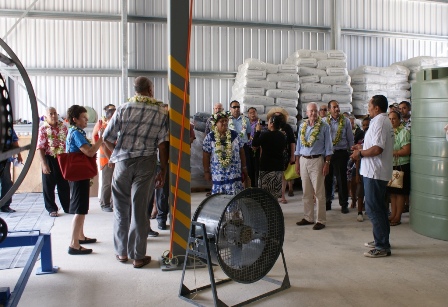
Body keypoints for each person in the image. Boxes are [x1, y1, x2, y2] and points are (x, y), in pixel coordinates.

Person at [103, 77, 168, 268]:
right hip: (146, 162)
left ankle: (122, 253)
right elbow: (163, 144)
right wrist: (163, 170)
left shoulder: (123, 108)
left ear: (136, 90)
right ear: (150, 89)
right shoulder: (160, 111)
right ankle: (138, 257)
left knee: (121, 209)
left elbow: (106, 137)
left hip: (123, 162)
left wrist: (114, 158)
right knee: (140, 210)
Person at [350, 95, 394, 258]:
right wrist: (361, 147)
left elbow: (377, 149)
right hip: (374, 171)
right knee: (380, 208)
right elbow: (373, 145)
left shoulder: (381, 122)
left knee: (374, 208)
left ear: (377, 107)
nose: (367, 108)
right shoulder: (379, 121)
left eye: (369, 105)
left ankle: (382, 246)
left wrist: (360, 153)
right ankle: (382, 240)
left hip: (375, 172)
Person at [66, 105, 104, 255]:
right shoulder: (76, 133)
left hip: (78, 175)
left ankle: (80, 236)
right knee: (79, 209)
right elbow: (89, 152)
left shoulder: (75, 132)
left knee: (81, 207)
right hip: (78, 175)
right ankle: (73, 244)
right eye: (83, 117)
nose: (86, 120)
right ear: (75, 119)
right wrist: (101, 140)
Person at [295, 102, 333, 230]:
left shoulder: (324, 127)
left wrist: (327, 163)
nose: (313, 113)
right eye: (311, 111)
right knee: (306, 191)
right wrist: (297, 163)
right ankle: (308, 217)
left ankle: (321, 220)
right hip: (303, 160)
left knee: (319, 192)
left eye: (315, 111)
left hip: (317, 160)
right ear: (306, 113)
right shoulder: (302, 126)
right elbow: (298, 146)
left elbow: (329, 148)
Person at [36, 107, 70, 217]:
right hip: (49, 158)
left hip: (62, 158)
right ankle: (51, 209)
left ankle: (67, 206)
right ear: (46, 117)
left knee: (64, 184)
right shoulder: (43, 129)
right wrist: (44, 164)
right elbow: (40, 148)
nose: (54, 115)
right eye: (51, 114)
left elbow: (68, 143)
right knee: (48, 185)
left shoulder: (64, 128)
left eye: (55, 113)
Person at [203, 111, 247, 195]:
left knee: (234, 199)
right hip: (218, 174)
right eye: (221, 121)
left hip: (234, 173)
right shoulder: (210, 137)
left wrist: (244, 167)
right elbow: (206, 155)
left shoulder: (235, 135)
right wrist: (206, 172)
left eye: (226, 120)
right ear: (215, 124)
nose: (225, 123)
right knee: (220, 200)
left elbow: (242, 152)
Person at [325, 100, 354, 213]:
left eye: (338, 106)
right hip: (327, 154)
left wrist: (352, 152)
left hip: (341, 153)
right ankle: (327, 202)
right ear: (329, 110)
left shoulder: (345, 121)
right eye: (334, 107)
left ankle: (344, 204)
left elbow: (350, 138)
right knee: (327, 179)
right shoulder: (324, 121)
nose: (337, 109)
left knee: (342, 179)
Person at [251, 115, 287, 198]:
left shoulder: (265, 135)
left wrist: (257, 131)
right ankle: (274, 210)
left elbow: (254, 144)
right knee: (275, 193)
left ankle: (265, 210)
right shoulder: (282, 136)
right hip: (278, 167)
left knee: (264, 193)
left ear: (271, 124)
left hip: (266, 167)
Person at [266, 107, 296, 203]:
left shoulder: (287, 127)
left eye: (280, 116)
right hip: (271, 155)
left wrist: (292, 156)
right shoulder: (269, 127)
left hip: (284, 155)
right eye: (275, 116)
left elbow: (292, 142)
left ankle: (282, 196)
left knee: (283, 175)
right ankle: (273, 196)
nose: (277, 118)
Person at [387, 111, 411, 226]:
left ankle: (398, 216)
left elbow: (406, 150)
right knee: (392, 192)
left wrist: (393, 152)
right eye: (390, 119)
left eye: (394, 119)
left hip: (401, 165)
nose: (391, 121)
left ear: (399, 119)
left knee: (400, 193)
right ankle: (393, 214)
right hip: (391, 165)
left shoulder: (404, 132)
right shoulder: (389, 131)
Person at [92, 104, 116, 212]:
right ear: (110, 117)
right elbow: (102, 144)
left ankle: (111, 202)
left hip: (114, 158)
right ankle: (104, 204)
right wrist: (109, 158)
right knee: (107, 182)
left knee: (114, 182)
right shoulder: (104, 127)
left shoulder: (114, 126)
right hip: (107, 159)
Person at [350, 117, 370, 222]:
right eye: (364, 125)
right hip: (361, 167)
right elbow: (358, 159)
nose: (366, 127)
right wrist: (357, 174)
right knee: (360, 190)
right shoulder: (361, 140)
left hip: (371, 169)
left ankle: (368, 209)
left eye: (368, 125)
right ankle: (359, 211)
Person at [228, 100, 252, 187]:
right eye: (234, 107)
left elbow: (248, 134)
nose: (236, 109)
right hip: (231, 148)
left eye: (238, 107)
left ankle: (246, 189)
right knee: (233, 168)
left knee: (246, 168)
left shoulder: (245, 120)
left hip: (244, 147)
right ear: (230, 109)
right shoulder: (227, 120)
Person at [0, 129, 23, 213]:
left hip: (4, 159)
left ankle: (5, 205)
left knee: (6, 182)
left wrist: (18, 155)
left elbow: (14, 142)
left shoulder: (7, 128)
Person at [247, 107, 260, 187]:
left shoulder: (260, 123)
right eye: (251, 113)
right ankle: (251, 186)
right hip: (249, 148)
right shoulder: (246, 123)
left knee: (257, 168)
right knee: (250, 168)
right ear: (248, 115)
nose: (252, 114)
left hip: (258, 149)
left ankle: (257, 186)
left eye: (254, 112)